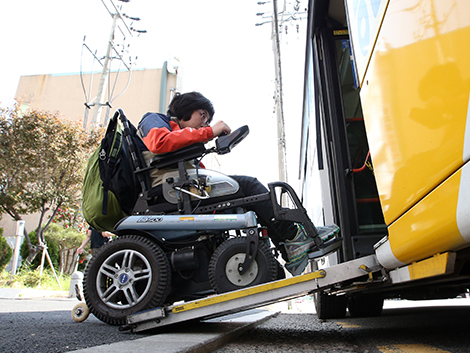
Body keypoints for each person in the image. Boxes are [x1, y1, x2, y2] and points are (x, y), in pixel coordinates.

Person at [137, 91, 338, 275]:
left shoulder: (182, 139)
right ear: (186, 109)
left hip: (185, 190)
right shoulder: (154, 119)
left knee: (246, 192)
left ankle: (291, 247)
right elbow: (158, 142)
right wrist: (209, 133)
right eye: (203, 115)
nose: (205, 124)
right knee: (250, 186)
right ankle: (294, 239)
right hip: (172, 192)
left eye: (207, 121)